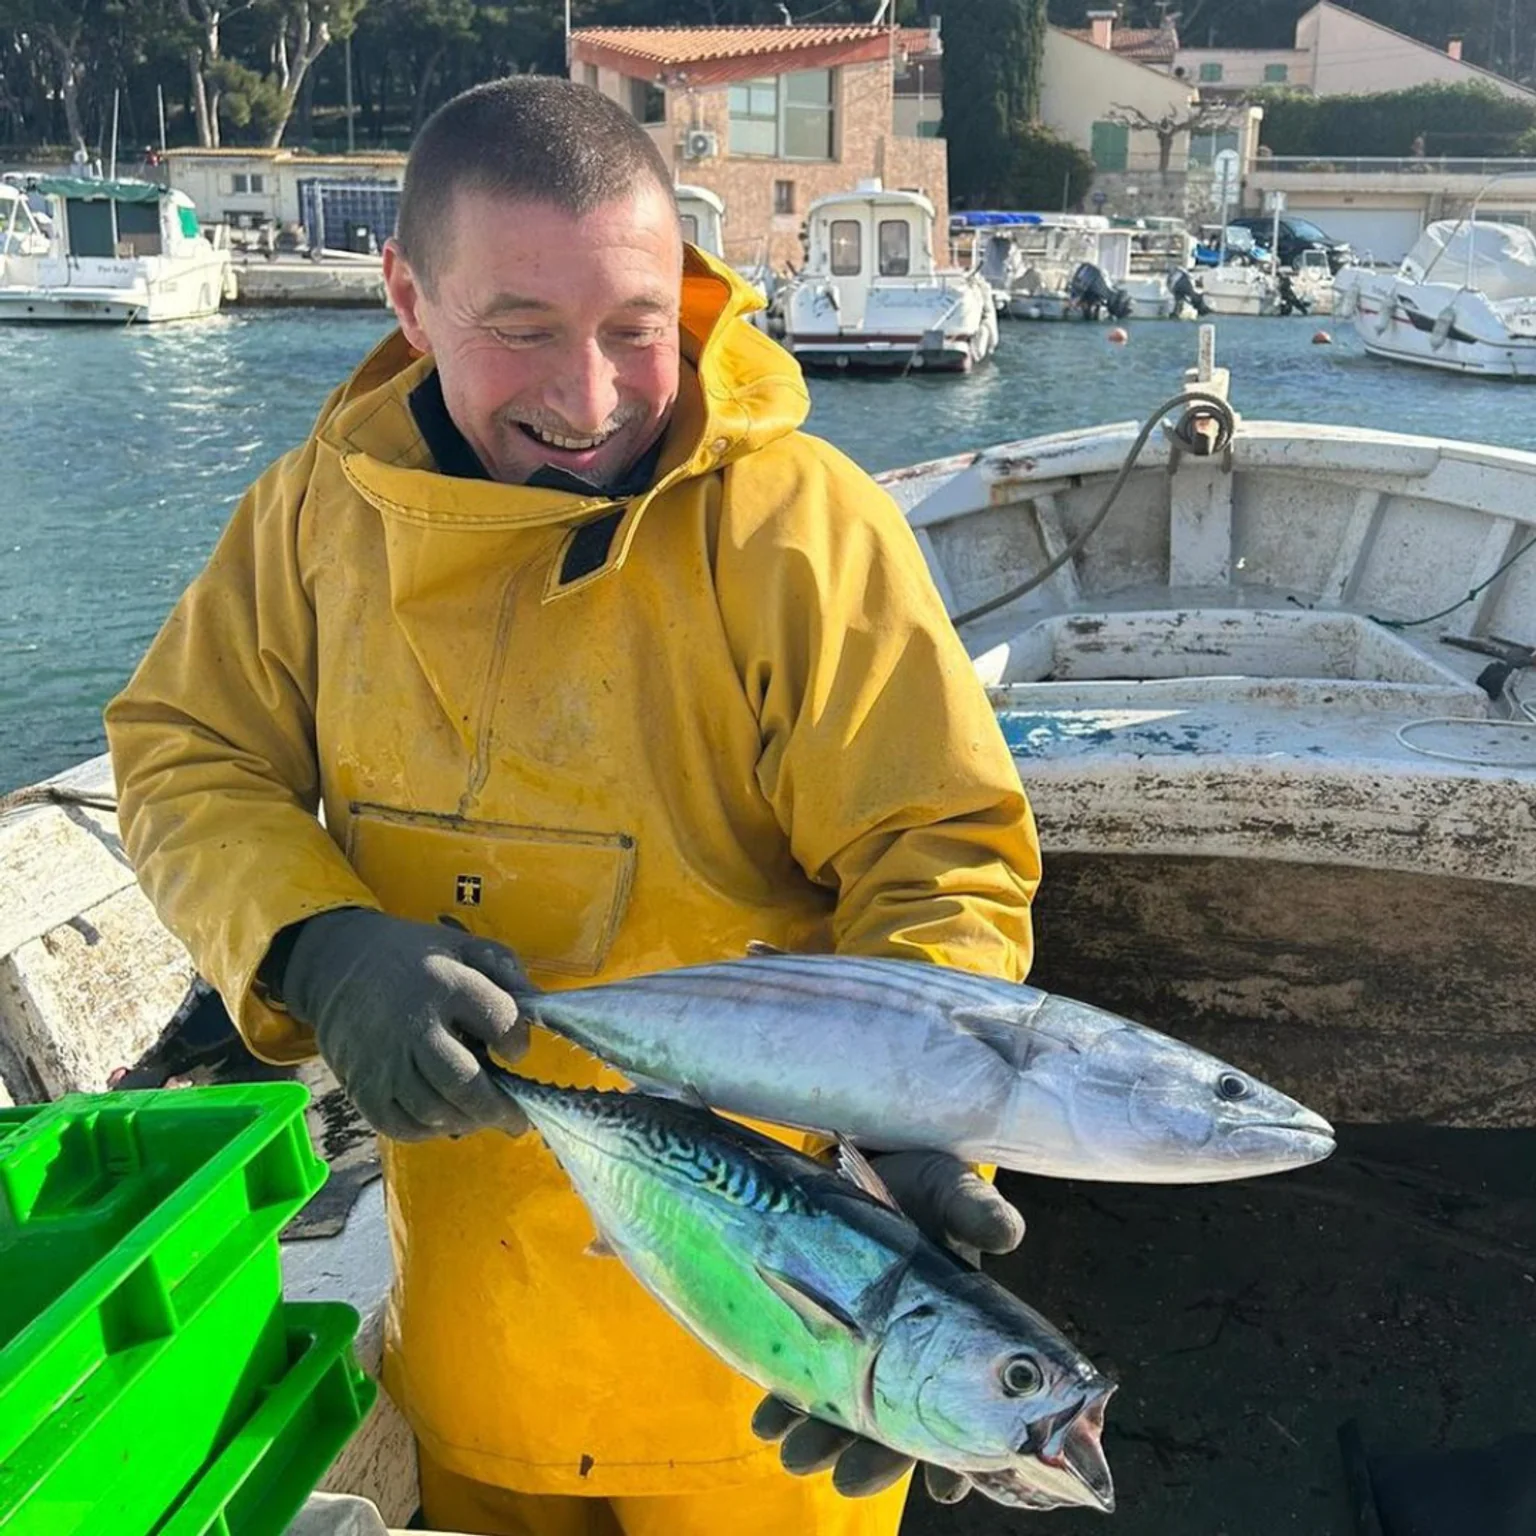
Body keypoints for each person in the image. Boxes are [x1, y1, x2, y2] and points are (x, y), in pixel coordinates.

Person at [106, 77, 1040, 1536]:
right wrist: (309, 942)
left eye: (632, 329)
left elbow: (938, 852)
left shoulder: (802, 525)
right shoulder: (313, 514)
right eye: (519, 330)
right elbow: (184, 747)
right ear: (408, 298)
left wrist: (919, 1111)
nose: (587, 401)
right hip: (472, 1326)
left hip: (773, 1349)